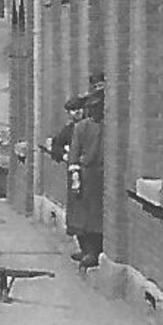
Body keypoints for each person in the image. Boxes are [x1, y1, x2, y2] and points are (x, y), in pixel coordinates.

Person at [65, 93, 104, 268]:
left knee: (95, 215)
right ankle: (85, 248)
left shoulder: (107, 127)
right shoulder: (81, 127)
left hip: (100, 176)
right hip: (83, 174)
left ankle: (93, 251)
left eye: (98, 108)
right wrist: (74, 174)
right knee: (79, 214)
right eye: (93, 108)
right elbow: (74, 150)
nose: (95, 111)